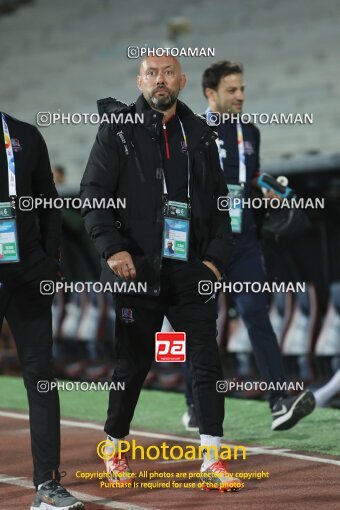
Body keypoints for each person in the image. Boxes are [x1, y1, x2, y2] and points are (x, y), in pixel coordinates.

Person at [80, 55, 242, 491]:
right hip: (138, 269)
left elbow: (221, 202)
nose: (160, 80)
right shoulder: (118, 130)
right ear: (140, 80)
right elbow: (93, 192)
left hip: (191, 269)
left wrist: (215, 260)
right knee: (133, 364)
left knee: (206, 359)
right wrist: (112, 248)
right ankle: (114, 447)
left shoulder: (201, 134)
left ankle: (212, 458)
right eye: (151, 73)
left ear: (182, 81)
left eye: (168, 73)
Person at [182, 61, 315, 432]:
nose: (240, 96)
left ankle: (279, 402)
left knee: (257, 314)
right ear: (210, 93)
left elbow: (250, 173)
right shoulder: (189, 129)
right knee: (197, 324)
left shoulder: (250, 131)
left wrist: (267, 189)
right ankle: (193, 402)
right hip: (202, 244)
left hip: (244, 241)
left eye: (242, 89)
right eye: (231, 90)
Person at [0, 112, 84, 510]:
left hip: (29, 272)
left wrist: (50, 261)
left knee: (41, 376)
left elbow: (50, 202)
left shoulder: (24, 134)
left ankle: (48, 486)